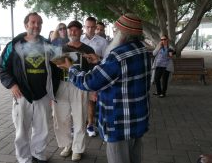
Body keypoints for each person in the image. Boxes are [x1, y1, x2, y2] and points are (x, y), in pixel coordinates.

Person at [57, 13, 151, 163]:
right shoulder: (143, 51)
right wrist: (100, 60)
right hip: (138, 120)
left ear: (123, 35)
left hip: (119, 122)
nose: (114, 34)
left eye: (116, 31)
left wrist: (71, 68)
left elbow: (89, 82)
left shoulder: (117, 56)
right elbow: (123, 73)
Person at [0, 12, 62, 163]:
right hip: (21, 95)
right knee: (21, 130)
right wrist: (11, 85)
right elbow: (2, 67)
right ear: (26, 25)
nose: (36, 26)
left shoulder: (49, 46)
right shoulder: (14, 45)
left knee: (42, 129)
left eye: (39, 23)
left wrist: (53, 92)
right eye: (33, 22)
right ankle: (24, 158)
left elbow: (61, 66)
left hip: (43, 94)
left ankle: (38, 155)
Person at [51, 20, 95, 161]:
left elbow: (93, 71)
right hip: (62, 85)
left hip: (80, 86)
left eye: (76, 29)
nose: (73, 31)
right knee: (61, 117)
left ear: (81, 31)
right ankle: (67, 145)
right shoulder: (61, 48)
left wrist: (93, 90)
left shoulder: (88, 49)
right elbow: (53, 69)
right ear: (67, 32)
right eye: (70, 29)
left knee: (79, 117)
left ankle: (78, 148)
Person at [81, 16, 108, 137]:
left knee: (92, 100)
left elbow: (107, 60)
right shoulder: (79, 40)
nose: (90, 29)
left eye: (93, 27)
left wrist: (97, 57)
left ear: (96, 27)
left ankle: (90, 124)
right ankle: (79, 124)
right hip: (81, 74)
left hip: (95, 74)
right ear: (84, 27)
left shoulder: (102, 41)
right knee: (79, 100)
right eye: (88, 27)